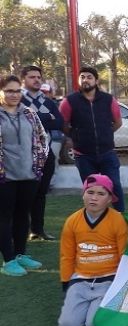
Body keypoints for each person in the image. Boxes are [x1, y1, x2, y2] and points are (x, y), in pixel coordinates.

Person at [58, 174, 128, 326]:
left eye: (101, 194)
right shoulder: (72, 220)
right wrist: (66, 283)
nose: (94, 198)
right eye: (90, 192)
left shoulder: (118, 220)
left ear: (110, 198)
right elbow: (67, 255)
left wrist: (121, 285)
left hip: (108, 281)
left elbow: (124, 254)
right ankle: (83, 309)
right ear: (83, 194)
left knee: (93, 325)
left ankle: (99, 311)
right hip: (81, 280)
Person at [0, 75, 48, 276]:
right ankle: (8, 260)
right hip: (4, 178)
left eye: (17, 90)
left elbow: (42, 137)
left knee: (22, 215)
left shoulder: (29, 113)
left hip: (29, 175)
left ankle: (20, 254)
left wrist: (39, 166)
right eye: (9, 90)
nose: (14, 94)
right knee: (4, 218)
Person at [59, 66, 124, 211]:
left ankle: (120, 217)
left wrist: (106, 133)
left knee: (115, 185)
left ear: (96, 81)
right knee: (91, 190)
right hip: (83, 156)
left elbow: (118, 122)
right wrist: (75, 136)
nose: (85, 80)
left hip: (107, 153)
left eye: (89, 77)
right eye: (82, 77)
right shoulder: (69, 101)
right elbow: (63, 124)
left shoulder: (108, 100)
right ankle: (95, 217)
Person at [21, 65, 64, 241]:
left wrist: (37, 118)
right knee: (23, 194)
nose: (37, 80)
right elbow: (25, 121)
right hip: (23, 154)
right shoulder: (18, 100)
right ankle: (21, 230)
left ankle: (38, 230)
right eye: (32, 77)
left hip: (45, 153)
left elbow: (59, 123)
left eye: (39, 77)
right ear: (24, 79)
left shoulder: (48, 101)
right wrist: (45, 118)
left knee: (40, 193)